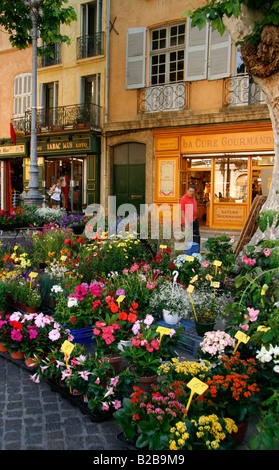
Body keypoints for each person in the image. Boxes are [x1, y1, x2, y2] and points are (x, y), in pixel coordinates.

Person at [180, 184, 200, 248]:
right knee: (188, 239)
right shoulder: (183, 199)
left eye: (193, 192)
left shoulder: (193, 197)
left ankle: (195, 251)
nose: (191, 193)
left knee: (196, 237)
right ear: (187, 190)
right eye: (190, 191)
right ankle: (187, 253)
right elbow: (182, 212)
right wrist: (186, 223)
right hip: (187, 222)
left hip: (194, 220)